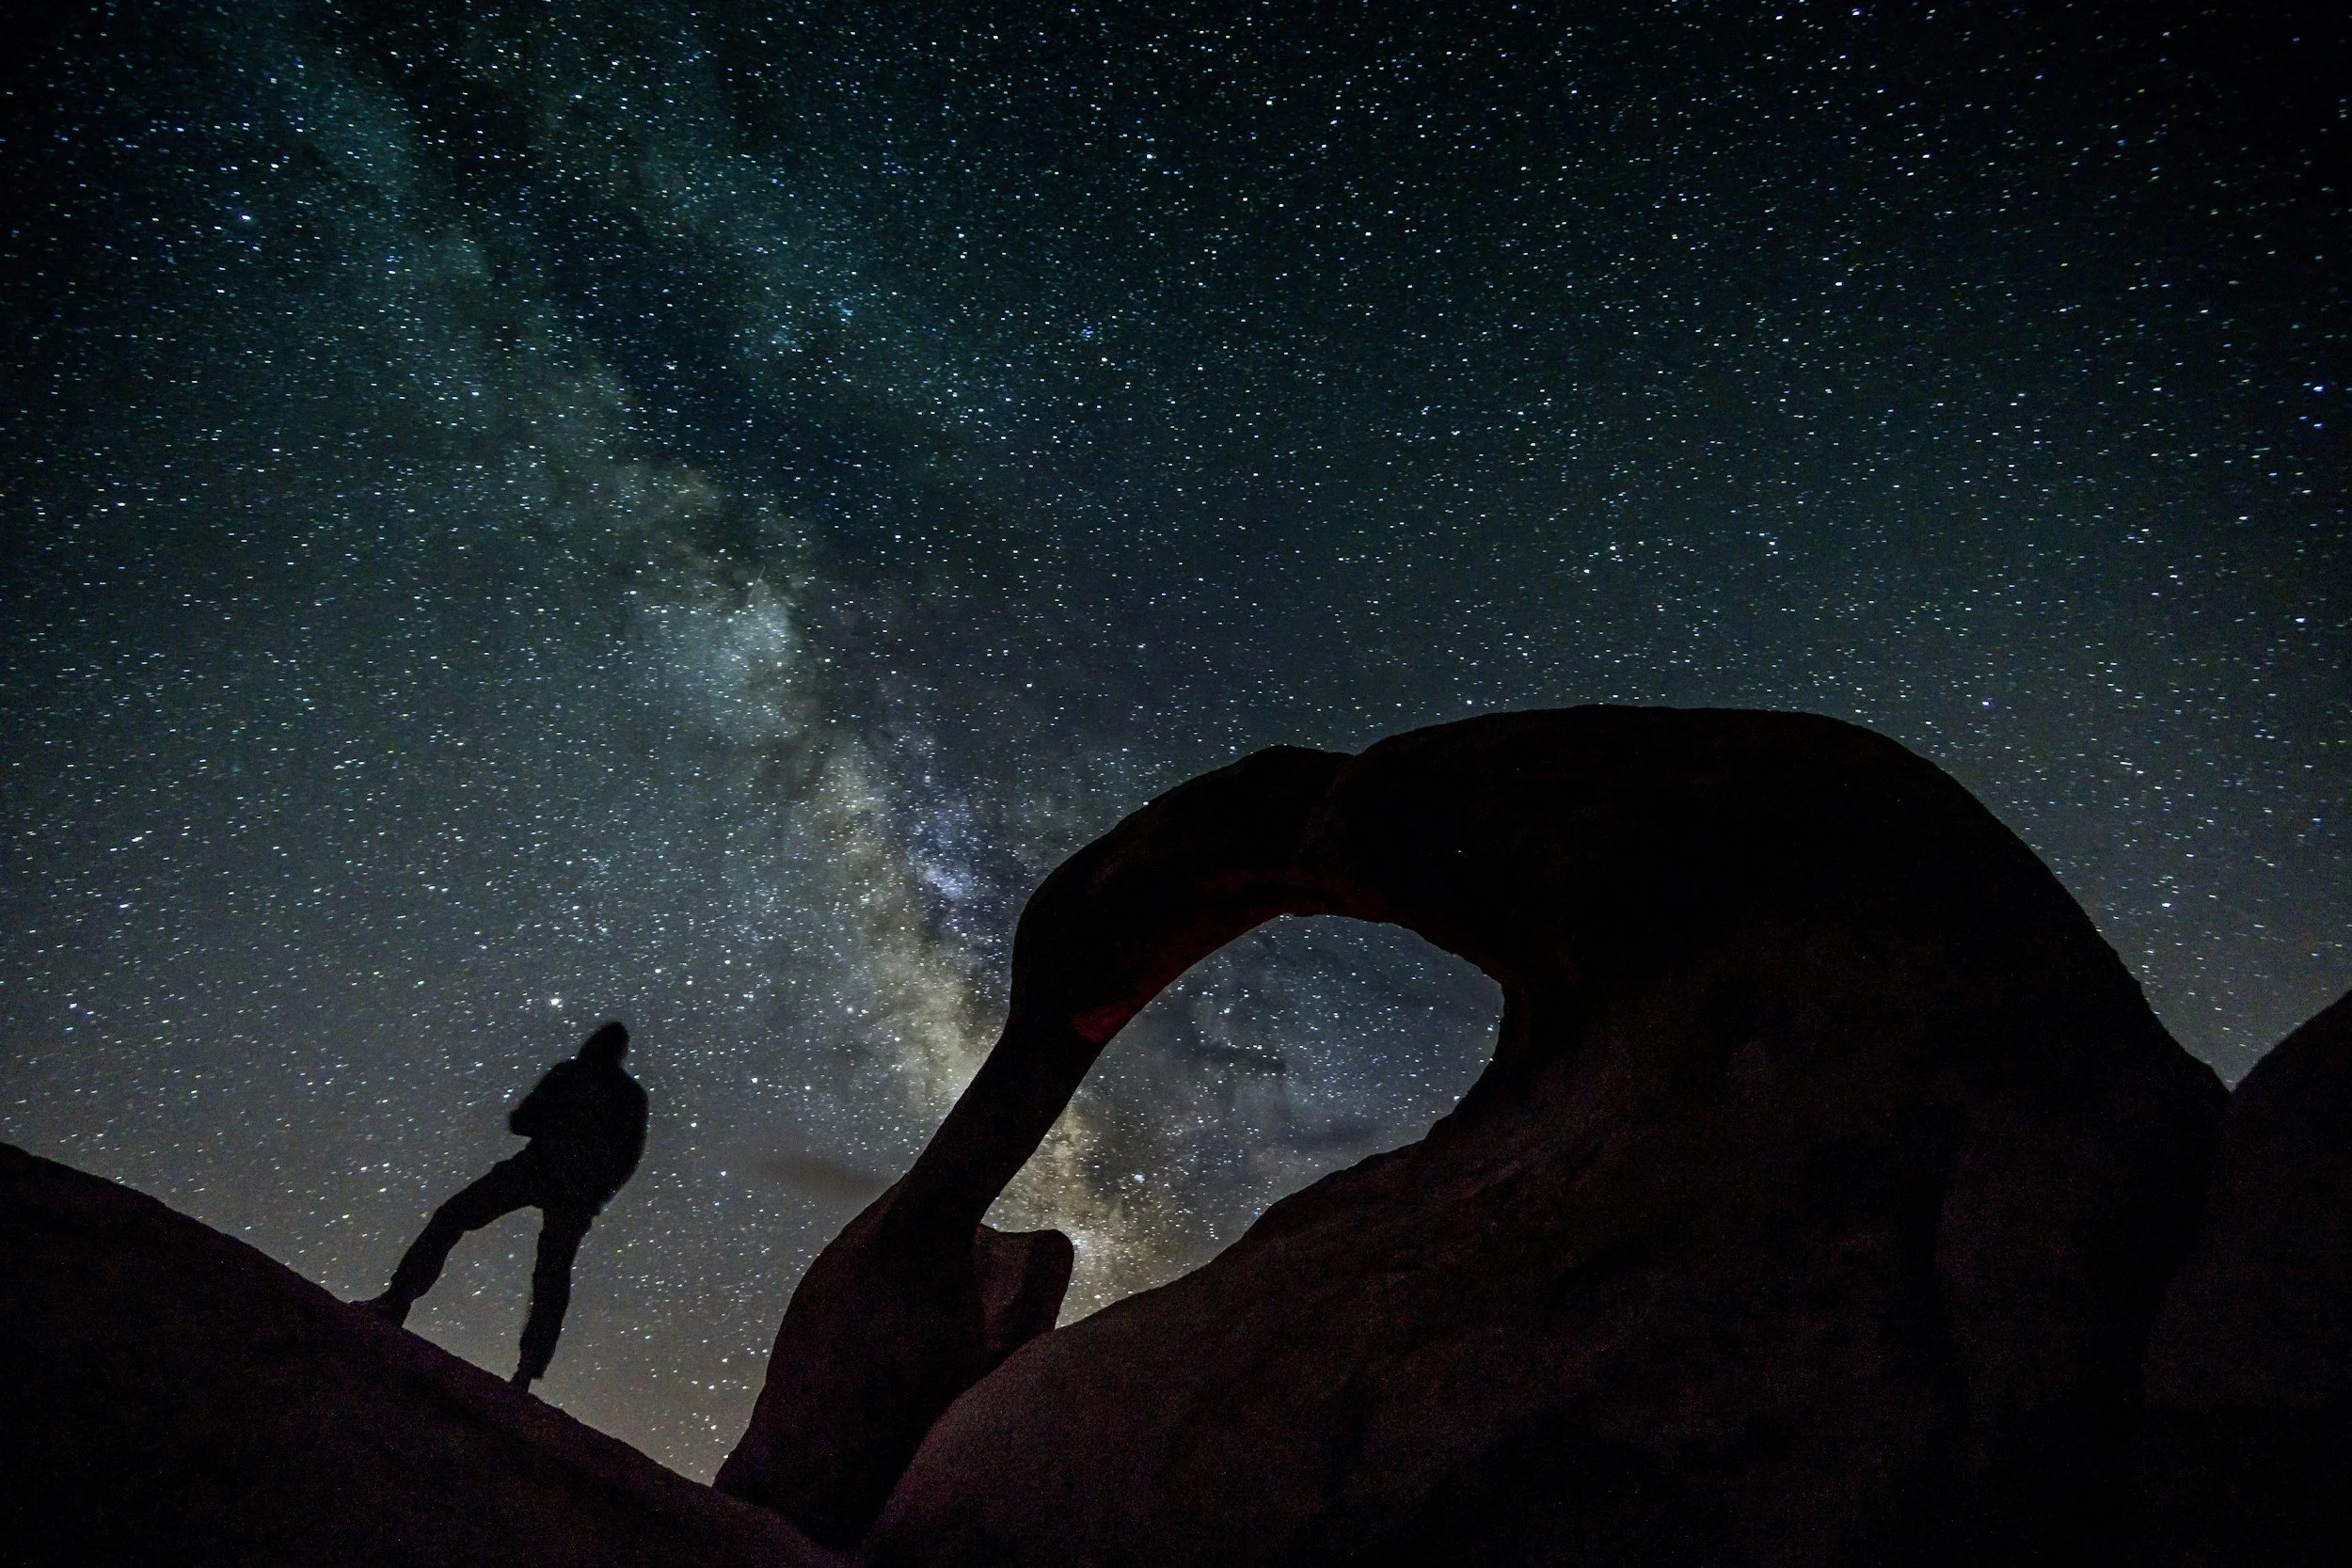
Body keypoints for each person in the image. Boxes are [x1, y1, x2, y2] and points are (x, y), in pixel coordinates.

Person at [361, 1021, 648, 1388]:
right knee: (549, 1274)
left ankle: (398, 1299)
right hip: (561, 1183)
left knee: (466, 1223)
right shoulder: (620, 1093)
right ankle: (527, 1370)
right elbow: (625, 1158)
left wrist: (586, 1182)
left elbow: (526, 1121)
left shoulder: (575, 1075)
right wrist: (595, 1194)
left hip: (547, 1174)